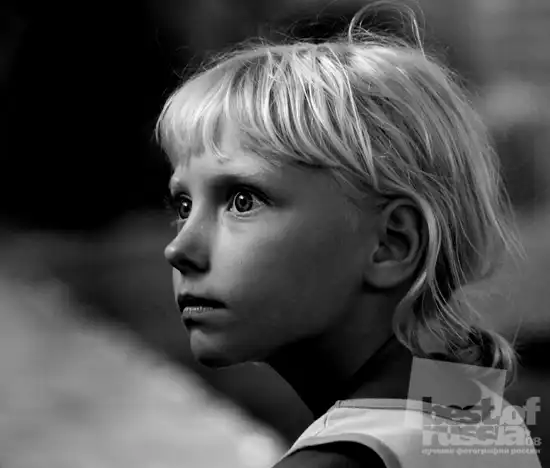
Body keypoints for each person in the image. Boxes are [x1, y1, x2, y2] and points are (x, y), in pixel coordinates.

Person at [156, 2, 543, 466]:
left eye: (243, 200)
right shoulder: (476, 413)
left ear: (392, 243)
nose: (179, 248)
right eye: (183, 206)